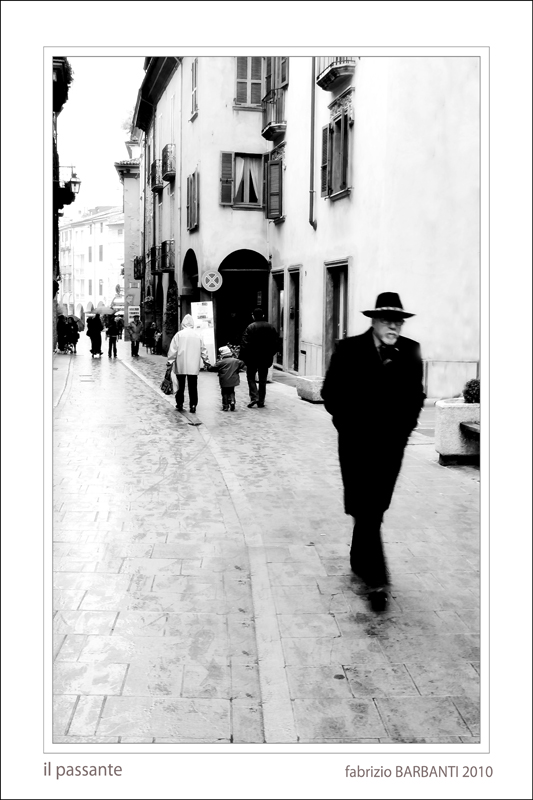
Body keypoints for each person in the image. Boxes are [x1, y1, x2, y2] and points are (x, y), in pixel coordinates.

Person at [321, 292, 425, 612]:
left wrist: (404, 434)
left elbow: (416, 398)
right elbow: (330, 394)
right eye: (388, 320)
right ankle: (377, 580)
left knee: (374, 507)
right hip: (355, 446)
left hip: (391, 448)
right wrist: (349, 427)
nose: (395, 326)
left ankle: (358, 556)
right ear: (374, 321)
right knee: (365, 506)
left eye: (399, 321)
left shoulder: (410, 351)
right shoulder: (349, 349)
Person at [166, 314, 210, 413]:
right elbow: (203, 350)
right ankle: (193, 405)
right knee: (193, 386)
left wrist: (170, 361)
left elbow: (173, 349)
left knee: (180, 385)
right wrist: (206, 361)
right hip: (193, 365)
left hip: (181, 364)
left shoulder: (179, 335)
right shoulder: (197, 335)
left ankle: (180, 403)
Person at [239, 308, 279, 408]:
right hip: (265, 357)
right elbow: (276, 343)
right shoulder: (270, 327)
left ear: (253, 316)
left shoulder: (250, 327)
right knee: (262, 379)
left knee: (251, 377)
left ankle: (254, 397)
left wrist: (243, 357)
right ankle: (261, 400)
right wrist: (270, 354)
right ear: (263, 315)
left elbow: (244, 343)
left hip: (252, 357)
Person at [208, 346, 247, 411]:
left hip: (224, 380)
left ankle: (225, 406)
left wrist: (208, 367)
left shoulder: (220, 362)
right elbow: (242, 365)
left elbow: (212, 368)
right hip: (234, 380)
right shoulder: (236, 361)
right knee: (231, 391)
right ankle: (232, 401)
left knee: (224, 392)